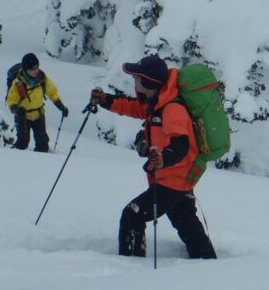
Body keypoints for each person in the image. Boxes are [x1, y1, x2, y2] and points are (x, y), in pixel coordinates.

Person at [89, 55, 217, 259]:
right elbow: (134, 107)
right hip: (177, 179)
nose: (134, 81)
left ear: (148, 83)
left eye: (137, 78)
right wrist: (107, 100)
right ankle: (208, 263)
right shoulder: (157, 103)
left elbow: (180, 145)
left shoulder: (172, 109)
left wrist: (164, 158)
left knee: (132, 215)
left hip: (173, 180)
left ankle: (131, 265)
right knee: (185, 222)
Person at [7, 53, 68, 152]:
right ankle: (15, 161)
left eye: (37, 67)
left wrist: (61, 107)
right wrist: (17, 110)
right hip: (23, 116)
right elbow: (11, 101)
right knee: (22, 143)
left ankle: (40, 164)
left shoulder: (42, 79)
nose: (36, 71)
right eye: (33, 69)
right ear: (26, 69)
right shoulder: (18, 83)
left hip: (39, 115)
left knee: (42, 143)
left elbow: (52, 93)